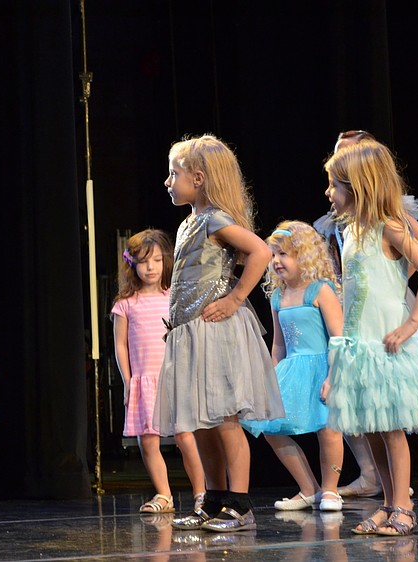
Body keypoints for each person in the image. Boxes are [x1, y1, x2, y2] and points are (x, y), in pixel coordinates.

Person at [314, 130, 418, 499]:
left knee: (392, 431)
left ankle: (402, 507)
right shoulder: (352, 232)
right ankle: (386, 501)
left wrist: (411, 322)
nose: (328, 193)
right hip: (358, 346)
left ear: (358, 187)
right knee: (371, 428)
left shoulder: (387, 226)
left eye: (335, 185)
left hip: (385, 344)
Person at [155, 134, 285, 533]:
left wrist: (235, 298)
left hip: (217, 330)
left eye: (173, 173)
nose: (167, 181)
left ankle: (239, 506)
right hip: (191, 332)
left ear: (198, 177)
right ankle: (212, 500)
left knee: (225, 419)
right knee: (201, 421)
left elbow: (261, 251)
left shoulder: (214, 218)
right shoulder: (187, 223)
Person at [241, 221, 345, 513]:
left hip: (324, 366)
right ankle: (309, 488)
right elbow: (279, 345)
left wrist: (333, 376)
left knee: (328, 428)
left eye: (284, 254)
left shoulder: (320, 290)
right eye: (273, 255)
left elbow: (338, 336)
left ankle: (331, 490)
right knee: (270, 427)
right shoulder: (278, 296)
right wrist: (271, 378)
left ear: (305, 256)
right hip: (292, 368)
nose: (276, 261)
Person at [111, 229, 206, 515]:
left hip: (174, 378)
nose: (150, 268)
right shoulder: (125, 304)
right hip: (144, 380)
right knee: (148, 440)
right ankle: (164, 494)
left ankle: (201, 493)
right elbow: (121, 346)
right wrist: (128, 382)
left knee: (185, 436)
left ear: (165, 261)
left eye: (155, 260)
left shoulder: (173, 298)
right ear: (132, 265)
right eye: (142, 262)